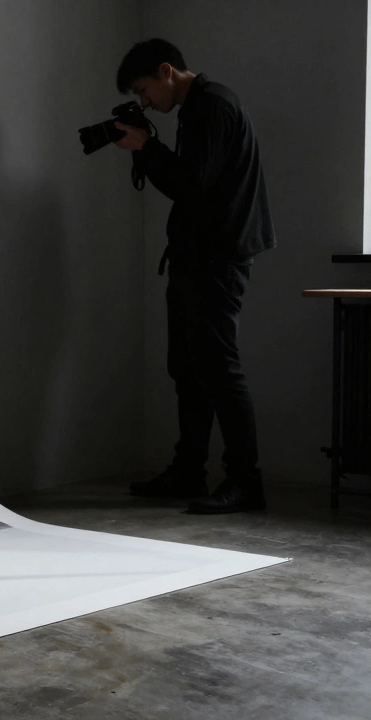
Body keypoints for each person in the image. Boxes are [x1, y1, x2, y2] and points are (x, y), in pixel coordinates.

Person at [112, 39, 276, 514]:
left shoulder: (212, 106)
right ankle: (189, 471)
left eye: (144, 90)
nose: (145, 102)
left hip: (217, 258)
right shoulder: (197, 108)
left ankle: (246, 482)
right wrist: (149, 150)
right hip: (196, 255)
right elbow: (191, 184)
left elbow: (191, 185)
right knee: (188, 368)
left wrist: (147, 147)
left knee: (219, 369)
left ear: (167, 71)